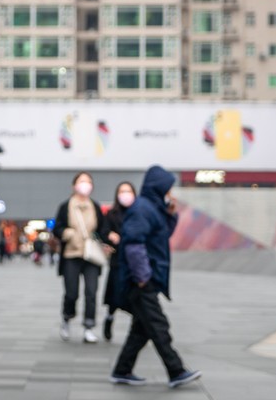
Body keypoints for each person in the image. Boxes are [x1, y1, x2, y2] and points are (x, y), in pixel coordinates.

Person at [110, 165, 201, 389]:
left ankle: (122, 370)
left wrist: (170, 216)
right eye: (168, 188)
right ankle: (176, 370)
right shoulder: (142, 209)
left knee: (141, 329)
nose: (170, 193)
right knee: (159, 325)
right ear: (159, 188)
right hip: (140, 281)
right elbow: (133, 244)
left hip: (146, 278)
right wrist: (142, 277)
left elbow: (160, 237)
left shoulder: (153, 209)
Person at [52, 172, 105, 344]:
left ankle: (89, 326)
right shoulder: (66, 205)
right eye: (82, 181)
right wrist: (66, 233)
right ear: (74, 185)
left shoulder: (94, 206)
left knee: (91, 291)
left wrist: (105, 238)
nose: (85, 185)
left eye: (88, 182)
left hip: (91, 255)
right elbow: (57, 227)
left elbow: (102, 229)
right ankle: (67, 318)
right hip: (71, 254)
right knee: (71, 292)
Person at [99, 181, 136, 342]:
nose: (125, 194)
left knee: (134, 297)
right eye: (122, 191)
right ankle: (109, 318)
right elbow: (103, 231)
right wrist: (110, 237)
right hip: (117, 260)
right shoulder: (112, 214)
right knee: (114, 296)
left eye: (128, 191)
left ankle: (137, 327)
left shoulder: (138, 213)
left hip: (134, 262)